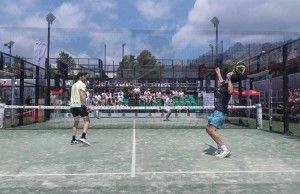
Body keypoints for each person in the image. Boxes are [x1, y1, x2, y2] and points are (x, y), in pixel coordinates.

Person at [206, 67, 236, 158]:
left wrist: (230, 79)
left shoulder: (228, 85)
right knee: (208, 128)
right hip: (216, 111)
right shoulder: (224, 84)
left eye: (230, 74)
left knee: (211, 130)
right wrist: (218, 72)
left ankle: (224, 149)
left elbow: (231, 91)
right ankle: (219, 148)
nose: (228, 74)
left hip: (221, 112)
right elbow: (221, 80)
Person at [69, 72, 91, 145]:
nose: (85, 77)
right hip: (79, 105)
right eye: (84, 76)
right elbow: (82, 95)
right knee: (87, 121)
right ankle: (83, 137)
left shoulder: (74, 85)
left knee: (76, 122)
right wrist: (87, 106)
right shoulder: (82, 84)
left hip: (72, 106)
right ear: (80, 77)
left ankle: (73, 139)